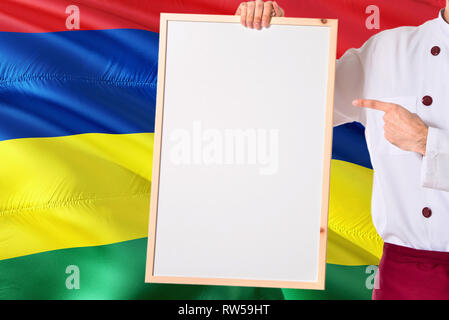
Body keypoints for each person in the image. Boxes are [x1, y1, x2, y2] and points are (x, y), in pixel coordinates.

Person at [236, 0, 449, 300]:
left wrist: (428, 143)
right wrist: (275, 36)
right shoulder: (386, 50)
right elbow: (300, 105)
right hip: (401, 277)